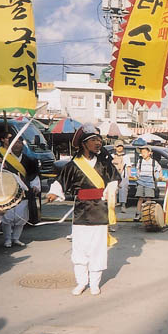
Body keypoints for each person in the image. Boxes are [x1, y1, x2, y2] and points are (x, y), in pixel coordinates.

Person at [46, 125, 120, 296]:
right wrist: (53, 193)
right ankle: (81, 282)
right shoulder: (73, 165)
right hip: (81, 211)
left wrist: (111, 189)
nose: (98, 143)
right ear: (84, 144)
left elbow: (114, 179)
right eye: (93, 140)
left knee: (97, 248)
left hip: (100, 210)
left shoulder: (104, 164)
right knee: (80, 248)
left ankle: (95, 283)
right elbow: (60, 182)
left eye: (99, 140)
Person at [0, 138, 40, 248]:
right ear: (10, 145)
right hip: (8, 191)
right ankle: (7, 239)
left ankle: (16, 238)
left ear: (23, 145)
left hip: (23, 192)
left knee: (21, 217)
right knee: (8, 217)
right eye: (15, 143)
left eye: (19, 143)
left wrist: (36, 185)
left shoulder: (29, 159)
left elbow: (34, 175)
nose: (17, 145)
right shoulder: (4, 158)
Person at [133, 145, 164, 221]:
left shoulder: (153, 162)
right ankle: (138, 214)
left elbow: (160, 169)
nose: (142, 154)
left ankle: (147, 214)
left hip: (150, 181)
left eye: (144, 152)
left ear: (149, 153)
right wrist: (137, 175)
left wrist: (160, 176)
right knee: (140, 198)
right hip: (141, 181)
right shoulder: (140, 161)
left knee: (148, 199)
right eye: (141, 152)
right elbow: (138, 170)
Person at [111, 140, 132, 213]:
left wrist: (129, 176)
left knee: (123, 190)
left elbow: (129, 167)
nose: (119, 148)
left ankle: (123, 205)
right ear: (115, 147)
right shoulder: (111, 156)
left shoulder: (126, 156)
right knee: (113, 191)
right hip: (113, 176)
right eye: (118, 146)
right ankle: (112, 206)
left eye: (121, 146)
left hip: (123, 175)